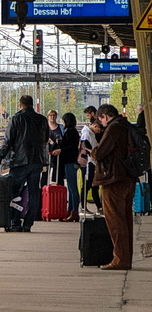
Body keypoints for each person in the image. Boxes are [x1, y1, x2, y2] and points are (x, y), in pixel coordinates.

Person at [0, 95, 50, 232]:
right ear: (32, 104)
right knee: (34, 193)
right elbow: (46, 139)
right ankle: (28, 223)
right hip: (37, 161)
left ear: (21, 105)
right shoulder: (42, 120)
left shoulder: (16, 118)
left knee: (14, 193)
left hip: (19, 161)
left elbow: (8, 141)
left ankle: (15, 221)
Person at [90, 104, 136, 270]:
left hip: (114, 180)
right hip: (128, 178)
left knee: (115, 222)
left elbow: (100, 153)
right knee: (125, 221)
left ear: (104, 116)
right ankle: (125, 257)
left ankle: (120, 259)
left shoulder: (113, 128)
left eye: (100, 119)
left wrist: (93, 150)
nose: (101, 123)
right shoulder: (126, 125)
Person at [57, 112, 82, 222]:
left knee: (72, 188)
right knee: (71, 188)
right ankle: (70, 210)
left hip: (70, 161)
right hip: (69, 161)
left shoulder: (70, 132)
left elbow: (71, 147)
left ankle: (74, 211)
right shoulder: (71, 131)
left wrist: (61, 149)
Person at [45, 110, 64, 186]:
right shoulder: (45, 127)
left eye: (54, 115)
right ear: (48, 117)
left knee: (58, 173)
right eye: (50, 115)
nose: (52, 117)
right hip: (47, 152)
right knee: (45, 173)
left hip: (58, 153)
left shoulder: (61, 127)